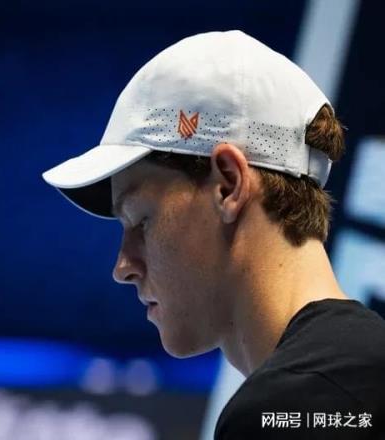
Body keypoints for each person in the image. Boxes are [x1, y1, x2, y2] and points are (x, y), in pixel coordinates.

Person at [41, 30, 385, 438]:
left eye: (141, 220)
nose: (123, 267)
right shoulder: (348, 378)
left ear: (228, 185)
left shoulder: (288, 409)